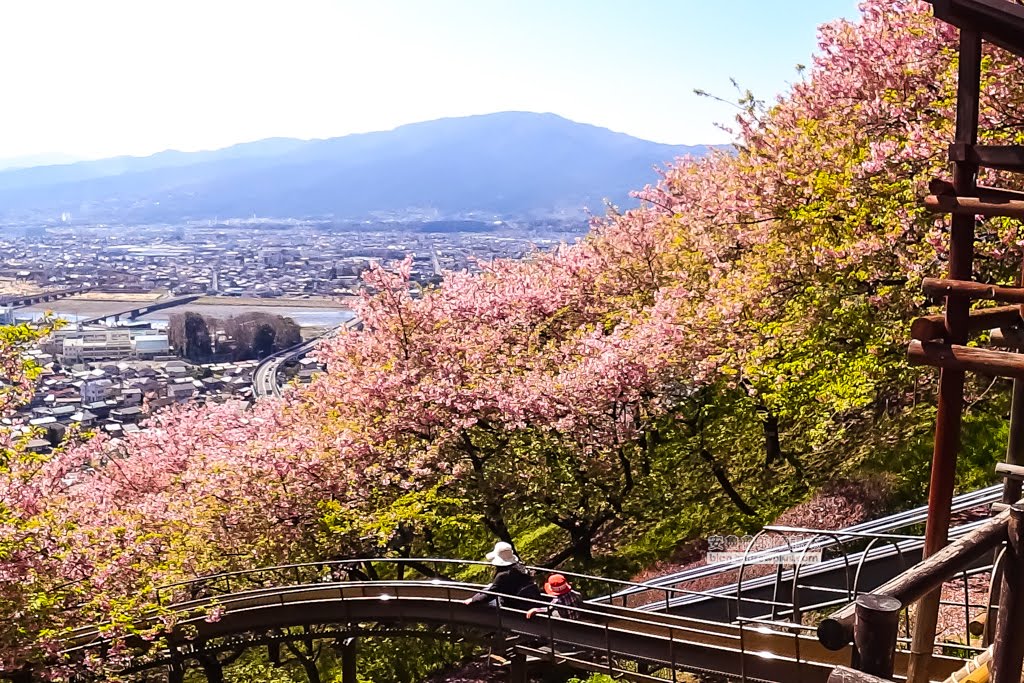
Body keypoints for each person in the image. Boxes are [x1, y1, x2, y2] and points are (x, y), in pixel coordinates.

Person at [462, 541, 544, 611]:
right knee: (489, 587)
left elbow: (491, 593)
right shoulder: (519, 567)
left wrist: (473, 600)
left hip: (517, 605)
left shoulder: (503, 575)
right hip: (530, 601)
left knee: (487, 598)